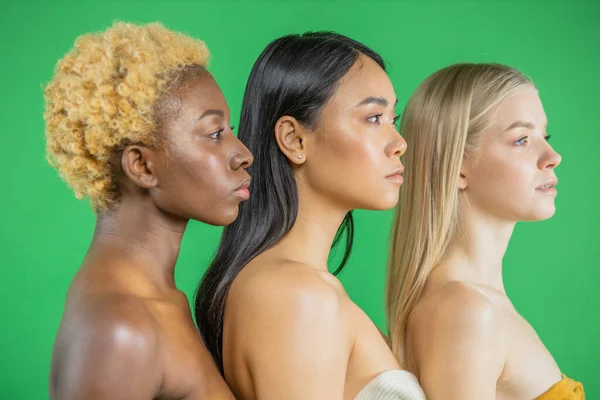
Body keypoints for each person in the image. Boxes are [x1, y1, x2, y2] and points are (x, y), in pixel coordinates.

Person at [195, 32, 426, 400]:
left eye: (392, 118)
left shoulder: (291, 287)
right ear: (294, 140)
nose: (399, 142)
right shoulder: (298, 296)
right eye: (373, 117)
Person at [44, 22, 252, 400]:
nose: (243, 154)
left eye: (231, 130)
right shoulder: (121, 328)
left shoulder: (158, 301)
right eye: (214, 133)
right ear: (142, 166)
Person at [386, 63, 584, 399]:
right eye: (521, 140)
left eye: (544, 136)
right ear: (458, 167)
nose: (552, 156)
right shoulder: (466, 312)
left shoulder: (479, 304)